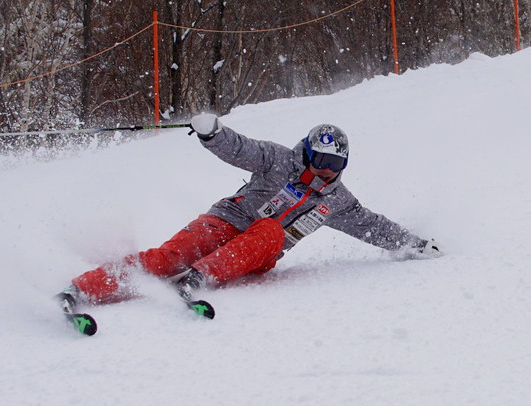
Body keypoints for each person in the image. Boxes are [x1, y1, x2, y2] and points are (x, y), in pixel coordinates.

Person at [58, 114, 442, 308]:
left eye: (334, 165)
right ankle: (82, 288)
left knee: (272, 231)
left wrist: (415, 244)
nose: (325, 170)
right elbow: (240, 148)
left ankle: (197, 278)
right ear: (306, 152)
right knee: (168, 257)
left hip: (258, 249)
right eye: (320, 159)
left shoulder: (337, 199)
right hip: (226, 219)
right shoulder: (277, 160)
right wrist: (212, 133)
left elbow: (372, 227)